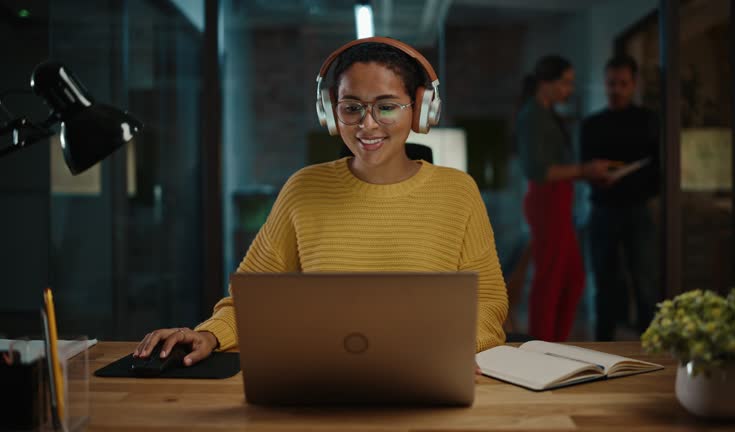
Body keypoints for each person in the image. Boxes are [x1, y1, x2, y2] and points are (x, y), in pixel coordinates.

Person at [133, 38, 508, 367]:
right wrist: (210, 335)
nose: (367, 125)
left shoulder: (458, 192)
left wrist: (455, 346)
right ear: (331, 112)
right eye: (352, 107)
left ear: (422, 109)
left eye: (387, 106)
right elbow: (252, 297)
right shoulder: (303, 188)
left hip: (429, 371)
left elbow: (489, 303)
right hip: (323, 376)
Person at [516, 55, 618, 342]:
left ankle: (555, 343)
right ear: (546, 83)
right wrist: (585, 170)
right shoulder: (531, 115)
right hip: (546, 201)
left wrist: (588, 173)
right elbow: (538, 170)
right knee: (550, 279)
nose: (569, 89)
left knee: (572, 279)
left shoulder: (547, 114)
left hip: (559, 201)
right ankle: (543, 347)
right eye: (565, 82)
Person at [580, 55, 660, 341]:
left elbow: (659, 167)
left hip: (638, 208)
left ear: (634, 84)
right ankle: (604, 346)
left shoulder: (649, 121)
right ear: (605, 83)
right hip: (603, 209)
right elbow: (585, 165)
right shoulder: (592, 124)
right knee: (604, 282)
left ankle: (651, 348)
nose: (616, 89)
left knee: (645, 282)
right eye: (612, 83)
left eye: (623, 84)